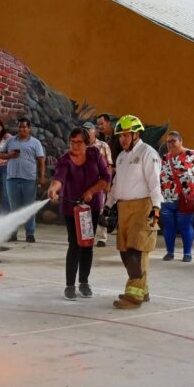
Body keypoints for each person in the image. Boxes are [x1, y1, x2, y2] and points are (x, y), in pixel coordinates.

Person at [105, 115, 162, 309]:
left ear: (136, 134)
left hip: (143, 206)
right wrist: (108, 206)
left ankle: (133, 296)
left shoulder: (148, 153)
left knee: (135, 252)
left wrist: (156, 208)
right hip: (124, 207)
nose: (122, 139)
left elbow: (155, 183)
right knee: (125, 251)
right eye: (120, 136)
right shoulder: (121, 157)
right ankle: (142, 290)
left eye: (126, 135)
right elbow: (116, 184)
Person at [48, 127, 111, 300]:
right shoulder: (64, 160)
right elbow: (59, 178)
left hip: (91, 208)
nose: (75, 146)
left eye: (79, 142)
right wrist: (53, 189)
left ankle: (84, 282)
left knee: (87, 245)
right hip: (72, 209)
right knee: (74, 244)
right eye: (72, 142)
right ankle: (70, 286)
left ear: (87, 143)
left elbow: (106, 178)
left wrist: (91, 191)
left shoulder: (95, 154)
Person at [159, 131, 194, 262]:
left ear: (181, 141)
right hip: (167, 197)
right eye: (168, 141)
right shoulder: (164, 158)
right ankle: (170, 252)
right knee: (168, 226)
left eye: (173, 141)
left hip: (186, 197)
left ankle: (187, 253)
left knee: (185, 226)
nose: (170, 144)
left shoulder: (192, 155)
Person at [0, 117, 46, 242]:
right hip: (12, 179)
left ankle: (30, 234)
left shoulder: (35, 142)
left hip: (29, 179)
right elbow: (1, 154)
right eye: (20, 127)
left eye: (24, 127)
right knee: (13, 208)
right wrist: (10, 155)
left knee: (29, 207)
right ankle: (13, 233)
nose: (22, 129)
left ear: (29, 128)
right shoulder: (10, 140)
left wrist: (42, 176)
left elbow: (41, 160)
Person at [83, 121, 113, 247]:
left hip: (100, 183)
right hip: (84, 184)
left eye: (88, 130)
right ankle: (86, 236)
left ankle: (101, 238)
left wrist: (108, 183)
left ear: (94, 132)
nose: (85, 132)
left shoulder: (103, 146)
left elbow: (109, 166)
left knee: (100, 210)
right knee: (84, 210)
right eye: (83, 130)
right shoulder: (81, 145)